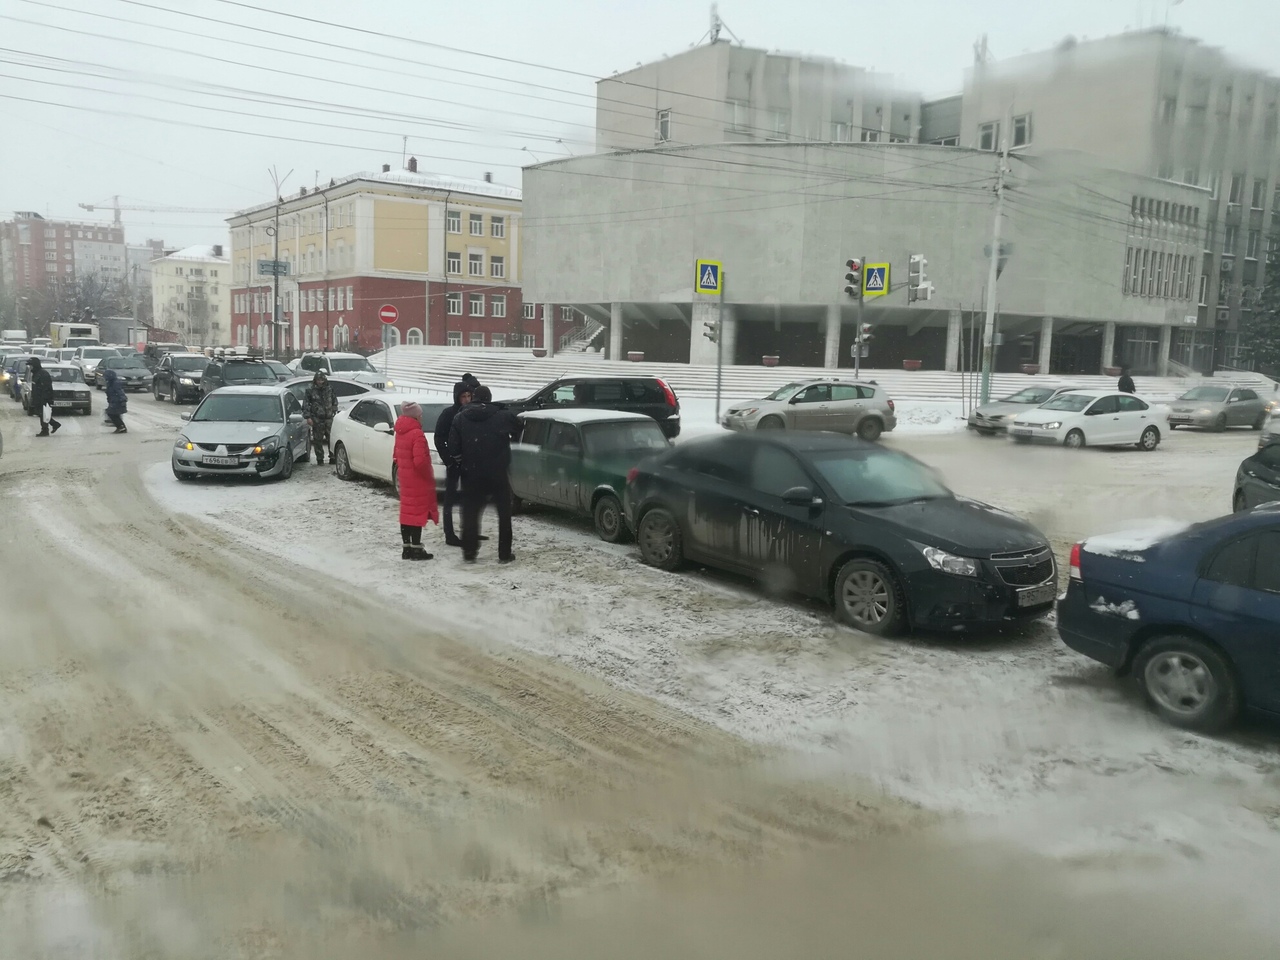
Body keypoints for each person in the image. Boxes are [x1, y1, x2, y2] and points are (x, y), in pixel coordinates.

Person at [448, 384, 520, 564]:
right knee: (504, 514)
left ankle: (470, 552)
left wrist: (462, 462)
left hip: (471, 473)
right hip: (498, 473)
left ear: (474, 398)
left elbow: (453, 446)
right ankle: (504, 553)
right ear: (489, 398)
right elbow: (519, 427)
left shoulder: (460, 417)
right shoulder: (503, 416)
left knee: (471, 513)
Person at [393, 401, 438, 560]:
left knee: (406, 513)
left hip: (405, 478)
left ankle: (406, 548)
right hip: (417, 480)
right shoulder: (417, 434)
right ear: (415, 416)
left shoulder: (400, 431)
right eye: (420, 414)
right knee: (417, 514)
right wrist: (428, 474)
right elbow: (420, 462)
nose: (422, 417)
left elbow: (396, 455)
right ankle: (417, 549)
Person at [434, 380, 474, 547]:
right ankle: (449, 534)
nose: (466, 399)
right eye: (463, 396)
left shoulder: (473, 413)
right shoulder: (448, 414)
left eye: (469, 396)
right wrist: (449, 460)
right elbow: (439, 438)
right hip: (454, 463)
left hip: (470, 463)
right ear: (457, 397)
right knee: (450, 499)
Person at [303, 370, 339, 465]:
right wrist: (308, 417)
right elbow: (306, 404)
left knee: (331, 439)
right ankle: (320, 459)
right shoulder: (310, 390)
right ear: (315, 380)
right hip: (317, 419)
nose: (320, 382)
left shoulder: (329, 388)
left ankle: (333, 458)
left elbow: (334, 400)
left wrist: (334, 410)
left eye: (322, 380)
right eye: (318, 380)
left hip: (328, 418)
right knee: (317, 440)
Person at [28, 357, 60, 438]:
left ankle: (45, 430)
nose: (29, 367)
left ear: (35, 365)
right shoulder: (35, 374)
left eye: (30, 365)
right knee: (42, 414)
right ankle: (54, 425)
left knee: (43, 414)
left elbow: (47, 388)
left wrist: (45, 399)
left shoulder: (43, 374)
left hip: (44, 398)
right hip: (38, 398)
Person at [103, 368, 128, 434]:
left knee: (112, 413)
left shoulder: (115, 383)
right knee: (113, 414)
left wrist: (122, 400)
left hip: (117, 401)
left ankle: (121, 427)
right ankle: (121, 427)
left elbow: (119, 391)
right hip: (114, 401)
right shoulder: (111, 383)